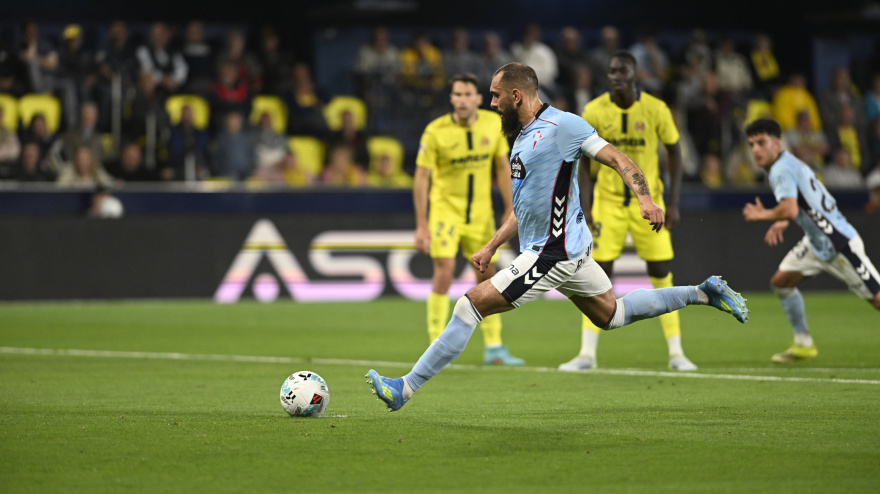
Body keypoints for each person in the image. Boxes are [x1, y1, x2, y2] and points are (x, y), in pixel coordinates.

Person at [366, 63, 748, 412]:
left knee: (469, 306)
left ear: (517, 96)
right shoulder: (521, 135)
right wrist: (492, 244)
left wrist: (645, 199)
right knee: (612, 314)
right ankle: (702, 292)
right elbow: (525, 205)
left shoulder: (564, 126)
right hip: (570, 251)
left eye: (496, 95)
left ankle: (405, 387)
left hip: (551, 252)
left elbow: (618, 159)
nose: (491, 102)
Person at [558, 51, 694, 372]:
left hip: (648, 205)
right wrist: (585, 206)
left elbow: (674, 151)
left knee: (661, 271)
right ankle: (587, 354)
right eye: (611, 71)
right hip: (607, 206)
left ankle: (676, 352)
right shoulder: (594, 109)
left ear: (636, 75)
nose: (616, 76)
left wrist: (673, 202)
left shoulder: (656, 109)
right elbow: (582, 162)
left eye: (622, 71)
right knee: (596, 274)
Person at [742, 118, 880, 364]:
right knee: (781, 282)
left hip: (839, 244)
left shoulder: (780, 169)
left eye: (761, 142)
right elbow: (803, 203)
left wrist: (763, 214)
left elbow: (790, 209)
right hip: (816, 243)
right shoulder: (791, 163)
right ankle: (803, 343)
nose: (755, 150)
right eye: (751, 144)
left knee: (877, 299)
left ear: (777, 142)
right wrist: (783, 219)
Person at [413, 73, 523, 365]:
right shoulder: (435, 131)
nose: (462, 100)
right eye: (457, 95)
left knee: (488, 276)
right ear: (451, 99)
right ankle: (436, 345)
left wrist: (510, 206)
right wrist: (422, 224)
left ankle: (494, 347)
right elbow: (421, 178)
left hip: (480, 215)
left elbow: (502, 167)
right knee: (444, 271)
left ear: (478, 98)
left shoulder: (492, 124)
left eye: (467, 94)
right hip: (445, 213)